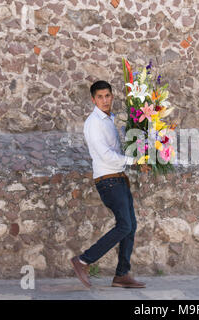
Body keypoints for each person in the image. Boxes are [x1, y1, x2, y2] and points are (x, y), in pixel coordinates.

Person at [71, 80, 149, 289]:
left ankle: (122, 274)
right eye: (100, 97)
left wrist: (140, 157)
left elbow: (117, 152)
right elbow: (105, 155)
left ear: (112, 96)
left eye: (107, 96)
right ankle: (83, 260)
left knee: (130, 226)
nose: (105, 100)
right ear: (93, 99)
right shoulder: (93, 123)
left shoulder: (108, 120)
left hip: (118, 178)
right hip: (108, 181)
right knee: (124, 225)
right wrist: (134, 161)